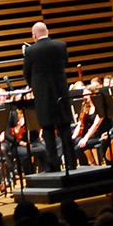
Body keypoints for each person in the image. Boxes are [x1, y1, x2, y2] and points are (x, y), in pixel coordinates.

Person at [23, 21, 76, 172]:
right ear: (47, 31)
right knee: (65, 128)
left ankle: (54, 166)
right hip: (61, 94)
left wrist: (32, 84)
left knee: (48, 131)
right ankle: (71, 163)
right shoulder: (61, 45)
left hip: (43, 97)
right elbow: (64, 64)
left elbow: (27, 73)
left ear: (34, 35)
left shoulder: (31, 51)